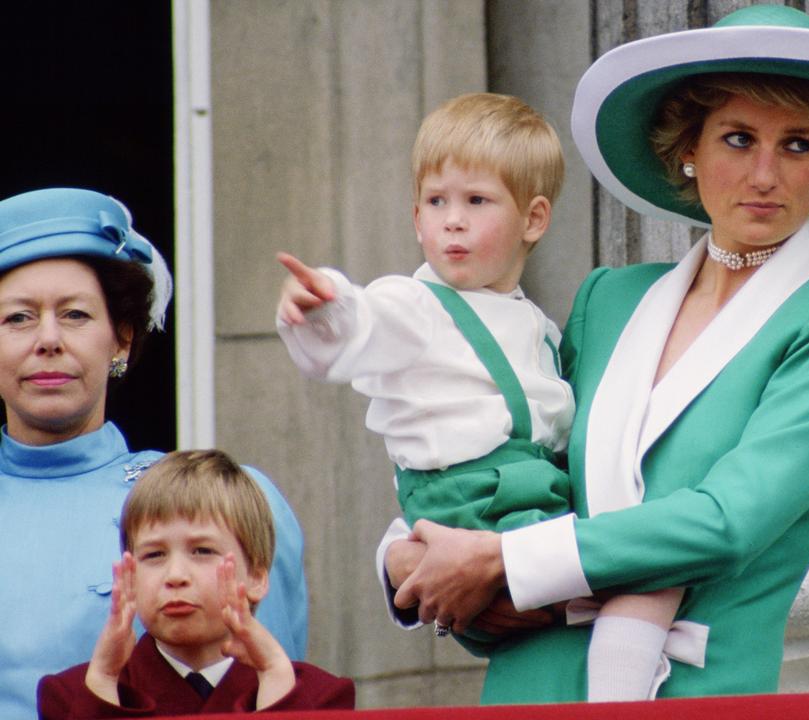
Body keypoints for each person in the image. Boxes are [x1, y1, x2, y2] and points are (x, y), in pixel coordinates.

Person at [380, 4, 809, 703]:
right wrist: (410, 556)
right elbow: (515, 462)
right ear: (690, 148)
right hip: (528, 686)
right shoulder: (610, 299)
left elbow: (729, 521)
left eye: (798, 144)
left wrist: (499, 559)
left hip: (696, 696)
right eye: (738, 138)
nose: (766, 174)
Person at [276, 92, 682, 701]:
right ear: (416, 219)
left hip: (520, 496)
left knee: (634, 573)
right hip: (475, 501)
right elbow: (362, 324)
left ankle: (595, 656)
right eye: (436, 202)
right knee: (647, 574)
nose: (452, 220)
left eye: (476, 201)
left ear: (534, 219)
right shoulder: (415, 304)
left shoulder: (537, 325)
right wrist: (323, 305)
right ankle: (618, 699)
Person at [0, 187, 309, 719]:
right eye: (17, 318)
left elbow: (269, 701)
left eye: (75, 315)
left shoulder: (227, 501)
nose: (47, 339)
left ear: (120, 340)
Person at [37, 450, 353, 716]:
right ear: (130, 577)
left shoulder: (319, 696)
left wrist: (275, 683)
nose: (175, 576)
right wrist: (104, 684)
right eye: (154, 555)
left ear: (256, 576)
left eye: (202, 551)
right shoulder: (72, 695)